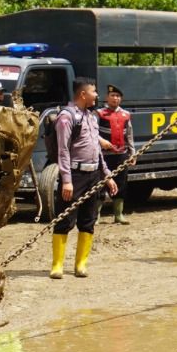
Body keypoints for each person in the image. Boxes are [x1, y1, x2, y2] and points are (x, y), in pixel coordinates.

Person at [50, 78, 116, 279]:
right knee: (64, 219)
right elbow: (63, 150)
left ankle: (80, 265)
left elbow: (97, 151)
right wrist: (67, 180)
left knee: (89, 220)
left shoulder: (92, 116)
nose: (97, 95)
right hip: (75, 175)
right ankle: (57, 265)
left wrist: (107, 176)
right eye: (94, 91)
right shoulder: (66, 117)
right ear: (83, 94)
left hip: (93, 174)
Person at [97, 84, 135, 224]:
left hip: (121, 155)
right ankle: (96, 216)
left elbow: (129, 135)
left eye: (118, 96)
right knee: (100, 185)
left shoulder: (126, 115)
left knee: (121, 184)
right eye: (112, 96)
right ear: (107, 97)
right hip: (104, 156)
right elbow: (93, 132)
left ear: (121, 99)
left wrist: (132, 153)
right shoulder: (100, 113)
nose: (115, 98)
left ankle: (118, 215)